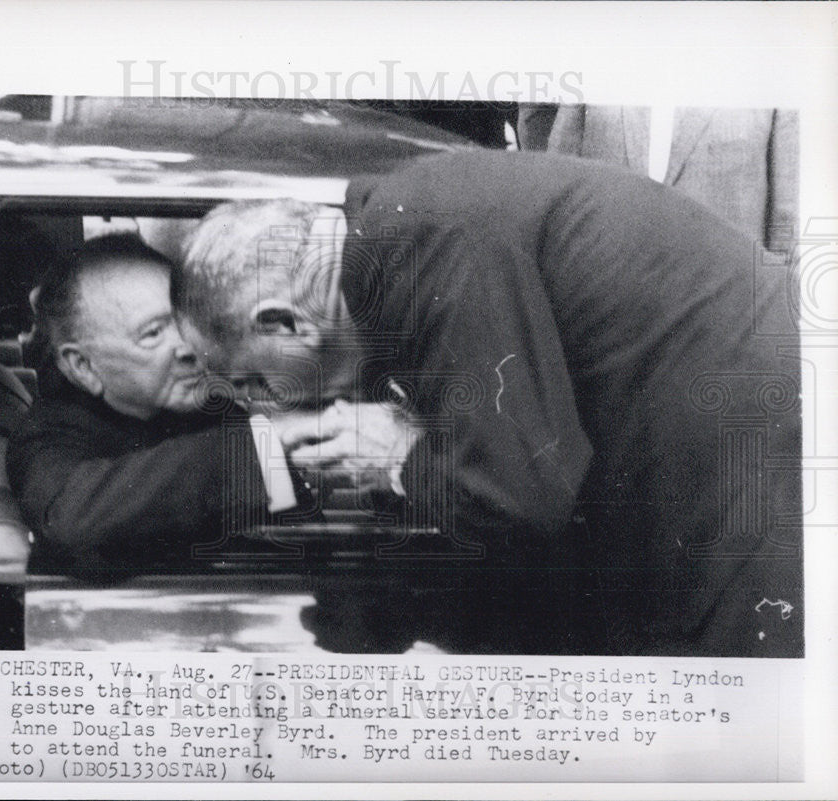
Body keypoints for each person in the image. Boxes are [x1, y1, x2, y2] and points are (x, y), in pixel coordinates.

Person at [182, 150, 803, 657]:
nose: (259, 408)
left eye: (251, 383)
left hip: (741, 475)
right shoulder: (393, 236)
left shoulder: (417, 242)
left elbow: (520, 500)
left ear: (284, 324)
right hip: (706, 454)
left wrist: (399, 457)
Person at [6, 234, 310, 581]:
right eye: (152, 333)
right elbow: (73, 517)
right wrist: (267, 445)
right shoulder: (46, 436)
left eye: (183, 320)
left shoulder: (213, 405)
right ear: (82, 366)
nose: (187, 346)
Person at [518, 103, 798, 254]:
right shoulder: (603, 51)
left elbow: (787, 224)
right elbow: (559, 196)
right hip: (611, 327)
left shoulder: (772, 60)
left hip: (725, 331)